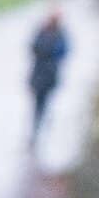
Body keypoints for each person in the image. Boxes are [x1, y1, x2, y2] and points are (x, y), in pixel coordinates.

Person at [28, 10, 69, 142]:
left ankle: (40, 125)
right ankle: (36, 126)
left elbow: (63, 53)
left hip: (50, 75)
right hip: (38, 73)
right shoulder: (42, 32)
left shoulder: (61, 35)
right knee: (37, 102)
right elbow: (33, 47)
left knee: (45, 102)